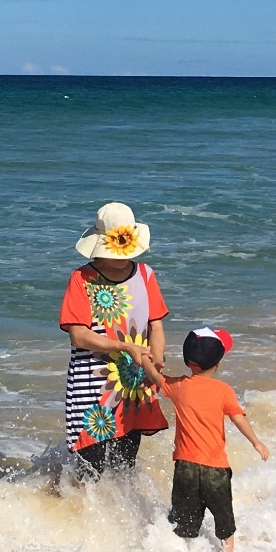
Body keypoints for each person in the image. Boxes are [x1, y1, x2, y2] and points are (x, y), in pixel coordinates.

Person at [59, 201, 169, 476]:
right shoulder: (82, 279)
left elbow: (156, 326)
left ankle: (121, 518)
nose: (122, 257)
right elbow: (79, 335)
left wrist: (156, 360)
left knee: (125, 467)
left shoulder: (145, 275)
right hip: (91, 384)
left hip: (133, 383)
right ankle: (82, 515)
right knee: (90, 468)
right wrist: (124, 346)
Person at [161, 326, 269, 552]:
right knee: (224, 521)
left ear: (188, 361)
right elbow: (239, 419)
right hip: (215, 469)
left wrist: (145, 360)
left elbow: (154, 377)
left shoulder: (177, 386)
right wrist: (256, 442)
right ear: (218, 363)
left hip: (185, 467)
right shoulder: (223, 390)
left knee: (185, 521)